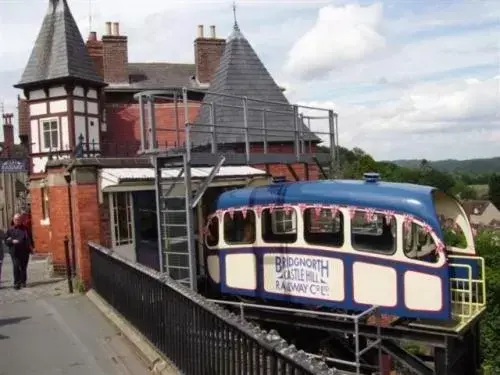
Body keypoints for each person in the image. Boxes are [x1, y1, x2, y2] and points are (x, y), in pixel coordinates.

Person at [5, 213, 33, 289]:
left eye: (19, 219)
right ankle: (16, 283)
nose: (17, 221)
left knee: (23, 267)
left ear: (21, 220)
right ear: (13, 220)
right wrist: (12, 241)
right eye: (16, 219)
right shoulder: (10, 230)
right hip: (14, 252)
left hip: (24, 251)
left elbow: (30, 238)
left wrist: (32, 247)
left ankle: (23, 281)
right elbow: (6, 241)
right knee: (16, 266)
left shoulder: (25, 229)